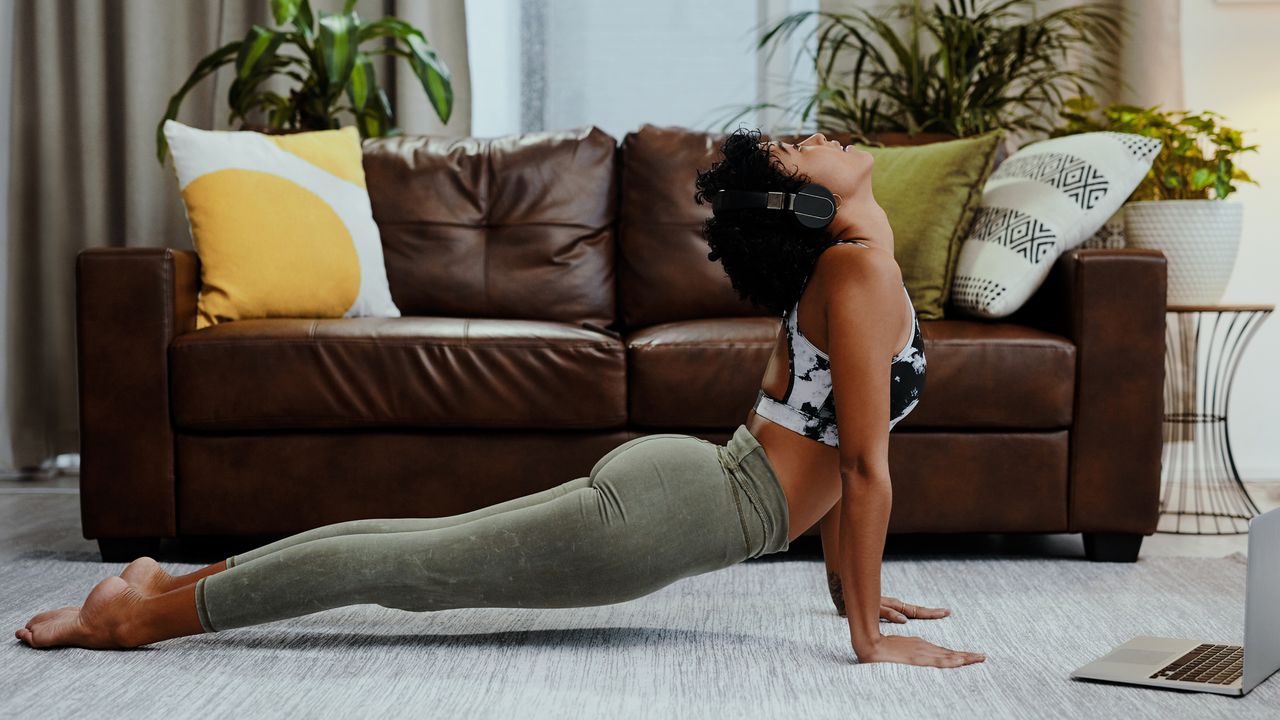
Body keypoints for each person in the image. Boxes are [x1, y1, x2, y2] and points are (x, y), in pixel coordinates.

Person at [16, 127, 984, 669]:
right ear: (801, 206)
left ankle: (160, 586)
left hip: (693, 488)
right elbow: (857, 466)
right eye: (792, 152)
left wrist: (851, 591)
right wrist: (865, 641)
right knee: (399, 566)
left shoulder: (856, 269)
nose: (811, 134)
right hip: (680, 506)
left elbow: (825, 448)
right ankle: (136, 618)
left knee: (398, 545)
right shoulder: (855, 275)